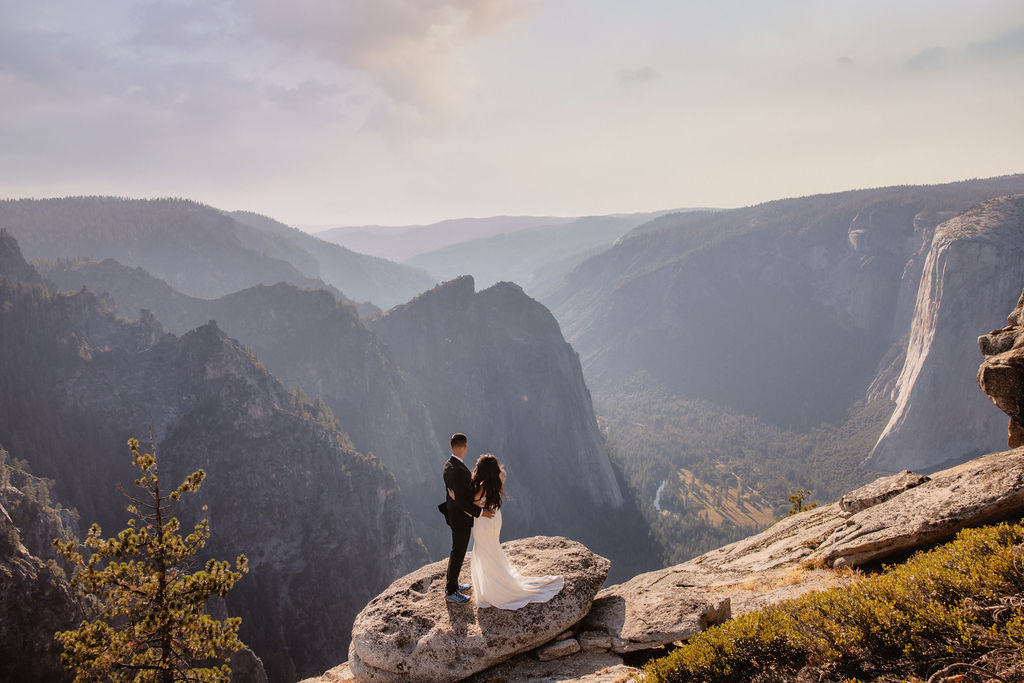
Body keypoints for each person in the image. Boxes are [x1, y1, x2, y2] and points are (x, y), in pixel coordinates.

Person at [468, 454, 564, 609]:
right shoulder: (497, 481)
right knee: (492, 550)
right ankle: (497, 581)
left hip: (483, 523)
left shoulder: (479, 488)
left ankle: (492, 588)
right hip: (494, 520)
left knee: (484, 552)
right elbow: (502, 473)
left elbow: (469, 508)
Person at [440, 433, 494, 604]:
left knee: (458, 550)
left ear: (451, 447)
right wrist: (481, 512)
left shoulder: (449, 465)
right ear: (464, 447)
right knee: (458, 551)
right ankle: (451, 590)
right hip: (460, 517)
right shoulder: (457, 470)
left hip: (455, 514)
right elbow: (462, 501)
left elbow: (459, 496)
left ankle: (453, 584)